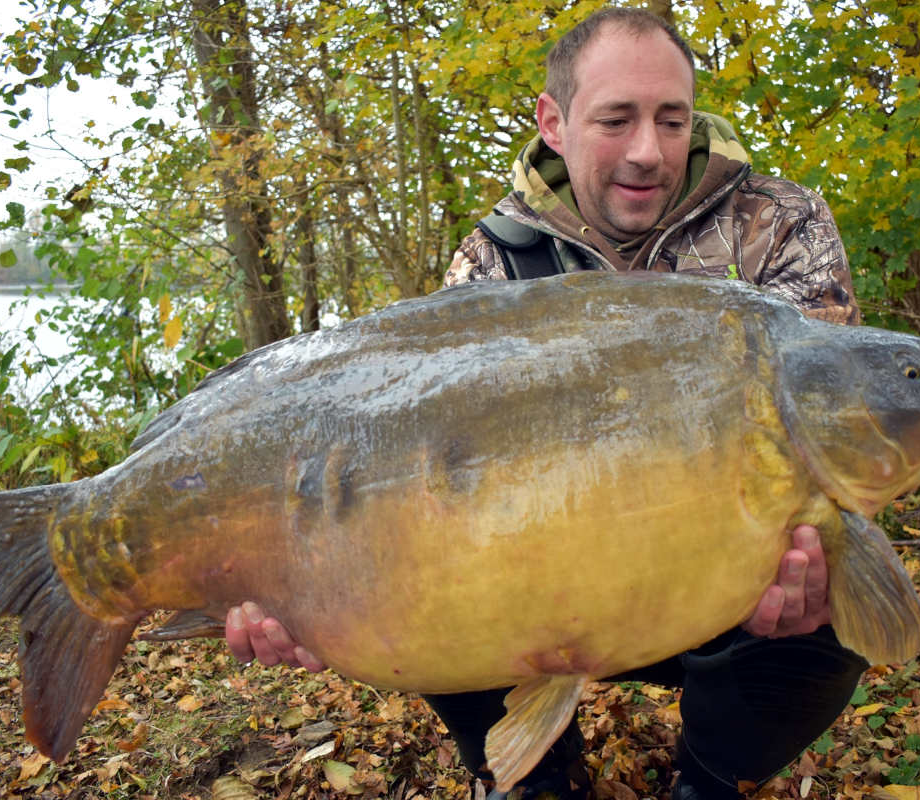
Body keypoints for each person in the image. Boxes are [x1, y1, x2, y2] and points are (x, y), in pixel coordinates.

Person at [226, 8, 868, 799]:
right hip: (537, 582)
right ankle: (534, 772)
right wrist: (303, 582)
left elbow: (837, 426)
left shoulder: (779, 226)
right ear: (553, 123)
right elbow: (408, 462)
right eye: (616, 120)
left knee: (841, 578)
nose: (648, 151)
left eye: (672, 119)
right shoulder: (493, 260)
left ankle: (711, 773)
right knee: (429, 573)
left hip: (720, 579)